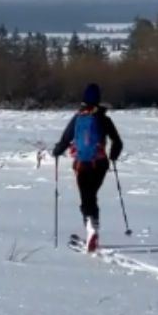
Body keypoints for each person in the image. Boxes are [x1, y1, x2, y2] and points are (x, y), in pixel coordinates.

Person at [52, 83, 123, 251]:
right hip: (100, 164)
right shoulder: (104, 119)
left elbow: (65, 140)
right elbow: (117, 142)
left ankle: (91, 229)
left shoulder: (78, 118)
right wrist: (113, 155)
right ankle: (93, 229)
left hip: (82, 164)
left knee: (87, 198)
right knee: (91, 195)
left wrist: (57, 151)